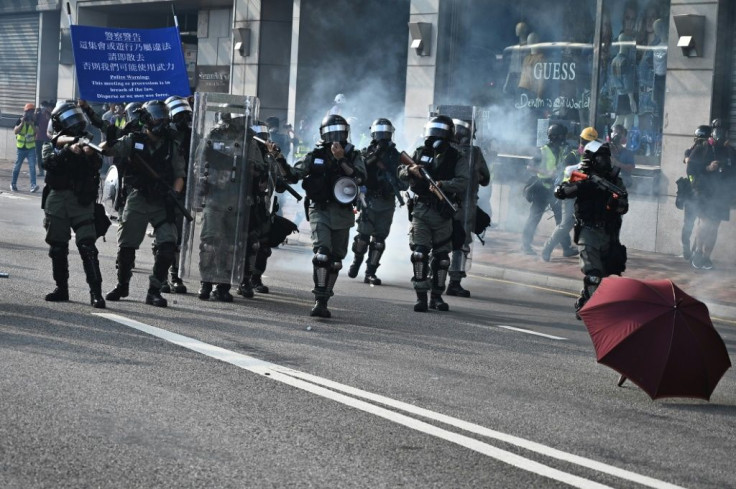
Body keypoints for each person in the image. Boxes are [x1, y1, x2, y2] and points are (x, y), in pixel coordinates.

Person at [279, 114, 367, 318]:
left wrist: (341, 160)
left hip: (343, 212)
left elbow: (360, 177)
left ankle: (326, 296)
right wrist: (279, 159)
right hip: (320, 210)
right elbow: (293, 175)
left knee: (335, 261)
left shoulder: (354, 155)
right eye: (332, 134)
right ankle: (319, 299)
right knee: (322, 255)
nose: (336, 138)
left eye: (340, 133)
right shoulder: (314, 155)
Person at [101, 100, 186, 307]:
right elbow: (107, 150)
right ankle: (122, 285)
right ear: (147, 118)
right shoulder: (133, 139)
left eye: (164, 116)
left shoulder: (170, 145)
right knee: (127, 245)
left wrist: (174, 193)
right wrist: (110, 137)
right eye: (158, 115)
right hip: (138, 197)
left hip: (162, 199)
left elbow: (179, 175)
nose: (162, 120)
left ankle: (154, 290)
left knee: (168, 245)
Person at [398, 115, 468, 312]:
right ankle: (421, 296)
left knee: (442, 258)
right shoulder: (421, 152)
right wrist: (410, 170)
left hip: (443, 213)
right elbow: (401, 171)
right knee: (419, 253)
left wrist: (442, 185)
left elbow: (463, 182)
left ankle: (436, 297)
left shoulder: (457, 158)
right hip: (421, 210)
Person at [41, 101, 105, 308]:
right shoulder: (50, 145)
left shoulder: (88, 143)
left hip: (82, 201)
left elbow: (98, 166)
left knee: (88, 247)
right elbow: (49, 163)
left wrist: (90, 155)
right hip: (58, 201)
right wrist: (69, 151)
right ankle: (62, 288)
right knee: (58, 248)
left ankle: (96, 293)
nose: (75, 123)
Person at [554, 141, 629, 318]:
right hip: (587, 231)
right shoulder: (581, 176)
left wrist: (614, 203)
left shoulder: (614, 180)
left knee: (603, 276)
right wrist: (583, 186)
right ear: (592, 159)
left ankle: (584, 300)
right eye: (601, 157)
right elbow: (561, 192)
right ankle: (595, 311)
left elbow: (624, 206)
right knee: (593, 274)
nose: (605, 161)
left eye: (607, 157)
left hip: (608, 233)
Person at [348, 118, 405, 285]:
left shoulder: (396, 156)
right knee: (362, 238)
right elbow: (360, 170)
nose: (383, 137)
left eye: (386, 134)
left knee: (379, 241)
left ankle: (370, 272)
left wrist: (397, 181)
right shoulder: (365, 153)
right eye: (380, 134)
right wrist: (376, 156)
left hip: (387, 201)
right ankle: (357, 262)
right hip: (369, 200)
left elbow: (404, 180)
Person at [236, 120, 290, 298]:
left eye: (265, 134)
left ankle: (255, 279)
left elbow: (283, 182)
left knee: (264, 246)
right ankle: (242, 279)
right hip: (244, 206)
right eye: (260, 134)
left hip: (263, 208)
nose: (263, 138)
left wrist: (278, 162)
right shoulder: (242, 154)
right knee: (248, 244)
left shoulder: (269, 158)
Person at [446, 118, 490, 297]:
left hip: (444, 204)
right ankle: (454, 282)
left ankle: (434, 276)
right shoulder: (475, 153)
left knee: (440, 241)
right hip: (465, 207)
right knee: (461, 244)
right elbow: (485, 178)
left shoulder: (443, 150)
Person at [541, 127, 597, 262]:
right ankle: (547, 249)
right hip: (570, 193)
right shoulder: (572, 155)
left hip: (585, 195)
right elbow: (563, 173)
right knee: (566, 224)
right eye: (585, 142)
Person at [688, 119, 736, 270]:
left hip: (721, 195)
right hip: (703, 192)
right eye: (717, 128)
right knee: (706, 223)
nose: (720, 132)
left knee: (714, 226)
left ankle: (706, 257)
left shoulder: (729, 151)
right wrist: (708, 168)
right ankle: (697, 252)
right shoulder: (702, 148)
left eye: (723, 129)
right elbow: (691, 169)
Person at [521, 123, 573, 255]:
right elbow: (530, 167)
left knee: (561, 220)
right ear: (555, 137)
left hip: (555, 189)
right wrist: (547, 172)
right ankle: (525, 246)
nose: (563, 139)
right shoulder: (543, 150)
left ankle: (566, 248)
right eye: (561, 136)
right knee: (534, 217)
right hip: (541, 188)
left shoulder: (563, 150)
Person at [158, 96, 193, 295]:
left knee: (178, 237)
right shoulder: (164, 136)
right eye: (178, 115)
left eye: (185, 115)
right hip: (163, 190)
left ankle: (175, 275)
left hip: (183, 191)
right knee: (164, 236)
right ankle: (161, 277)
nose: (182, 120)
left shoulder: (192, 136)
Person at [680, 125, 711, 260]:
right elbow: (689, 160)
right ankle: (688, 249)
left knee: (699, 223)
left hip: (702, 192)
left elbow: (688, 157)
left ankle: (691, 249)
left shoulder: (708, 151)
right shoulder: (696, 150)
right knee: (691, 223)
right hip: (695, 192)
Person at [11, 103, 39, 192]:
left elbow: (37, 131)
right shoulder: (20, 120)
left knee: (32, 167)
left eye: (32, 112)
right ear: (25, 112)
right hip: (21, 148)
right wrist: (22, 123)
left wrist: (31, 124)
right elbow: (15, 131)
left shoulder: (34, 121)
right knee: (17, 167)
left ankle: (33, 186)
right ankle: (13, 184)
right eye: (29, 112)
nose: (30, 114)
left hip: (31, 148)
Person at [608, 124, 635, 189]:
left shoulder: (627, 152)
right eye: (614, 132)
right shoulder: (607, 149)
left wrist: (618, 164)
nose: (615, 135)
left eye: (618, 133)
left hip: (623, 178)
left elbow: (631, 168)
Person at [34, 102, 52, 178]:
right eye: (42, 107)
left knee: (47, 155)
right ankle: (41, 171)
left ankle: (48, 170)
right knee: (39, 155)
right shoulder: (38, 114)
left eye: (44, 107)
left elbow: (50, 120)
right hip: (38, 137)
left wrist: (48, 112)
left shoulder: (48, 114)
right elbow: (33, 120)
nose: (43, 108)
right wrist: (35, 111)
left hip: (47, 137)